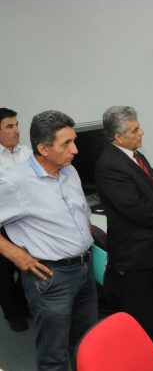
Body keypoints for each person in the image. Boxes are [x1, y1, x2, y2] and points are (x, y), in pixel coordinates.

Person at [0, 110, 96, 371]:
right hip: (52, 278)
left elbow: (81, 212)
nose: (75, 149)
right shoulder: (14, 181)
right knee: (54, 356)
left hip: (84, 269)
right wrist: (13, 253)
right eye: (66, 143)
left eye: (74, 141)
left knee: (86, 344)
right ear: (43, 148)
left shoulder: (69, 171)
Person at [95, 106, 153, 356]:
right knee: (142, 308)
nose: (141, 132)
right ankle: (144, 353)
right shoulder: (110, 165)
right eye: (135, 130)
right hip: (136, 253)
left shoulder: (134, 155)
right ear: (118, 137)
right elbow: (135, 208)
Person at [0, 108, 31, 332]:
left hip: (25, 222)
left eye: (17, 125)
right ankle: (13, 314)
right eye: (10, 126)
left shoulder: (27, 153)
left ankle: (23, 303)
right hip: (2, 224)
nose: (17, 130)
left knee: (29, 266)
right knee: (3, 275)